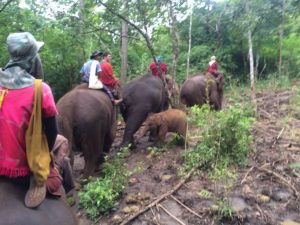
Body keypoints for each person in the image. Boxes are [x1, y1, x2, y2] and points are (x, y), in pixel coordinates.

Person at [0, 32, 60, 208]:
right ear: (32, 58)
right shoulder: (41, 90)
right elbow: (52, 132)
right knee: (62, 144)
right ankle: (41, 180)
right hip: (22, 168)